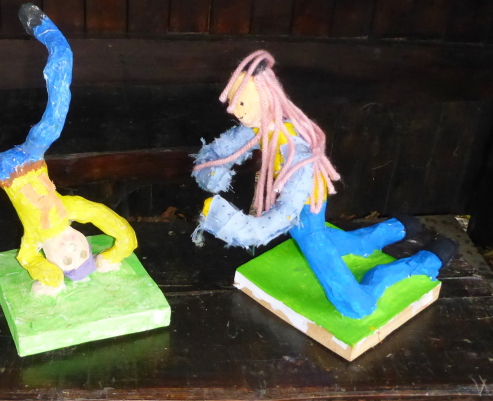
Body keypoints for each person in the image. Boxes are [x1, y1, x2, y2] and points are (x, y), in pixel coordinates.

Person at [192, 50, 455, 319]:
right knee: (326, 240)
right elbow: (216, 154)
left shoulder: (296, 152)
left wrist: (226, 221)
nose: (233, 110)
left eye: (241, 103)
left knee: (358, 307)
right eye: (233, 101)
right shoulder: (258, 128)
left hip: (305, 212)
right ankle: (395, 229)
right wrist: (212, 173)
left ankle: (421, 263)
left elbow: (278, 219)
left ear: (266, 98)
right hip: (304, 220)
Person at [0, 3, 136, 292]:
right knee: (58, 103)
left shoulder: (34, 239)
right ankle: (41, 24)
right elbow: (116, 225)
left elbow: (28, 259)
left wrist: (52, 280)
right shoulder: (71, 209)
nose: (73, 248)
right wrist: (116, 253)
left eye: (68, 260)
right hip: (33, 157)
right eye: (83, 252)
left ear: (51, 259)